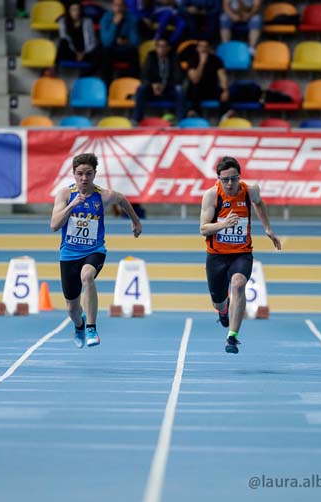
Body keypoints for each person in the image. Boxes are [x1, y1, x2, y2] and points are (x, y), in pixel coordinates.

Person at [50, 153, 143, 349]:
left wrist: (135, 221)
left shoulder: (103, 195)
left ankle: (91, 328)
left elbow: (122, 199)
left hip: (95, 250)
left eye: (88, 173)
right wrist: (72, 206)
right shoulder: (65, 195)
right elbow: (54, 225)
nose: (84, 178)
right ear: (74, 174)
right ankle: (80, 325)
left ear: (95, 174)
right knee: (72, 309)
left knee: (87, 276)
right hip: (69, 254)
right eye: (80, 174)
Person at [199, 156, 281, 354]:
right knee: (218, 302)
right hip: (216, 256)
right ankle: (223, 310)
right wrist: (224, 224)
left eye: (234, 179)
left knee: (238, 284)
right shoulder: (211, 195)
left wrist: (268, 228)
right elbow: (203, 229)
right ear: (218, 178)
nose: (229, 184)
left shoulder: (250, 190)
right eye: (225, 179)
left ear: (240, 177)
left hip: (241, 253)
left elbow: (259, 204)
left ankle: (232, 336)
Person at [134, 36, 184, 122]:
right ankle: (137, 119)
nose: (161, 49)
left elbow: (178, 76)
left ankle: (180, 120)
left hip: (168, 88)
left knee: (179, 90)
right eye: (159, 46)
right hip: (152, 89)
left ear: (168, 48)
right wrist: (153, 84)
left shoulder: (174, 57)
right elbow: (144, 75)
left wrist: (164, 85)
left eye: (164, 46)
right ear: (156, 47)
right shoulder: (151, 56)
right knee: (141, 89)